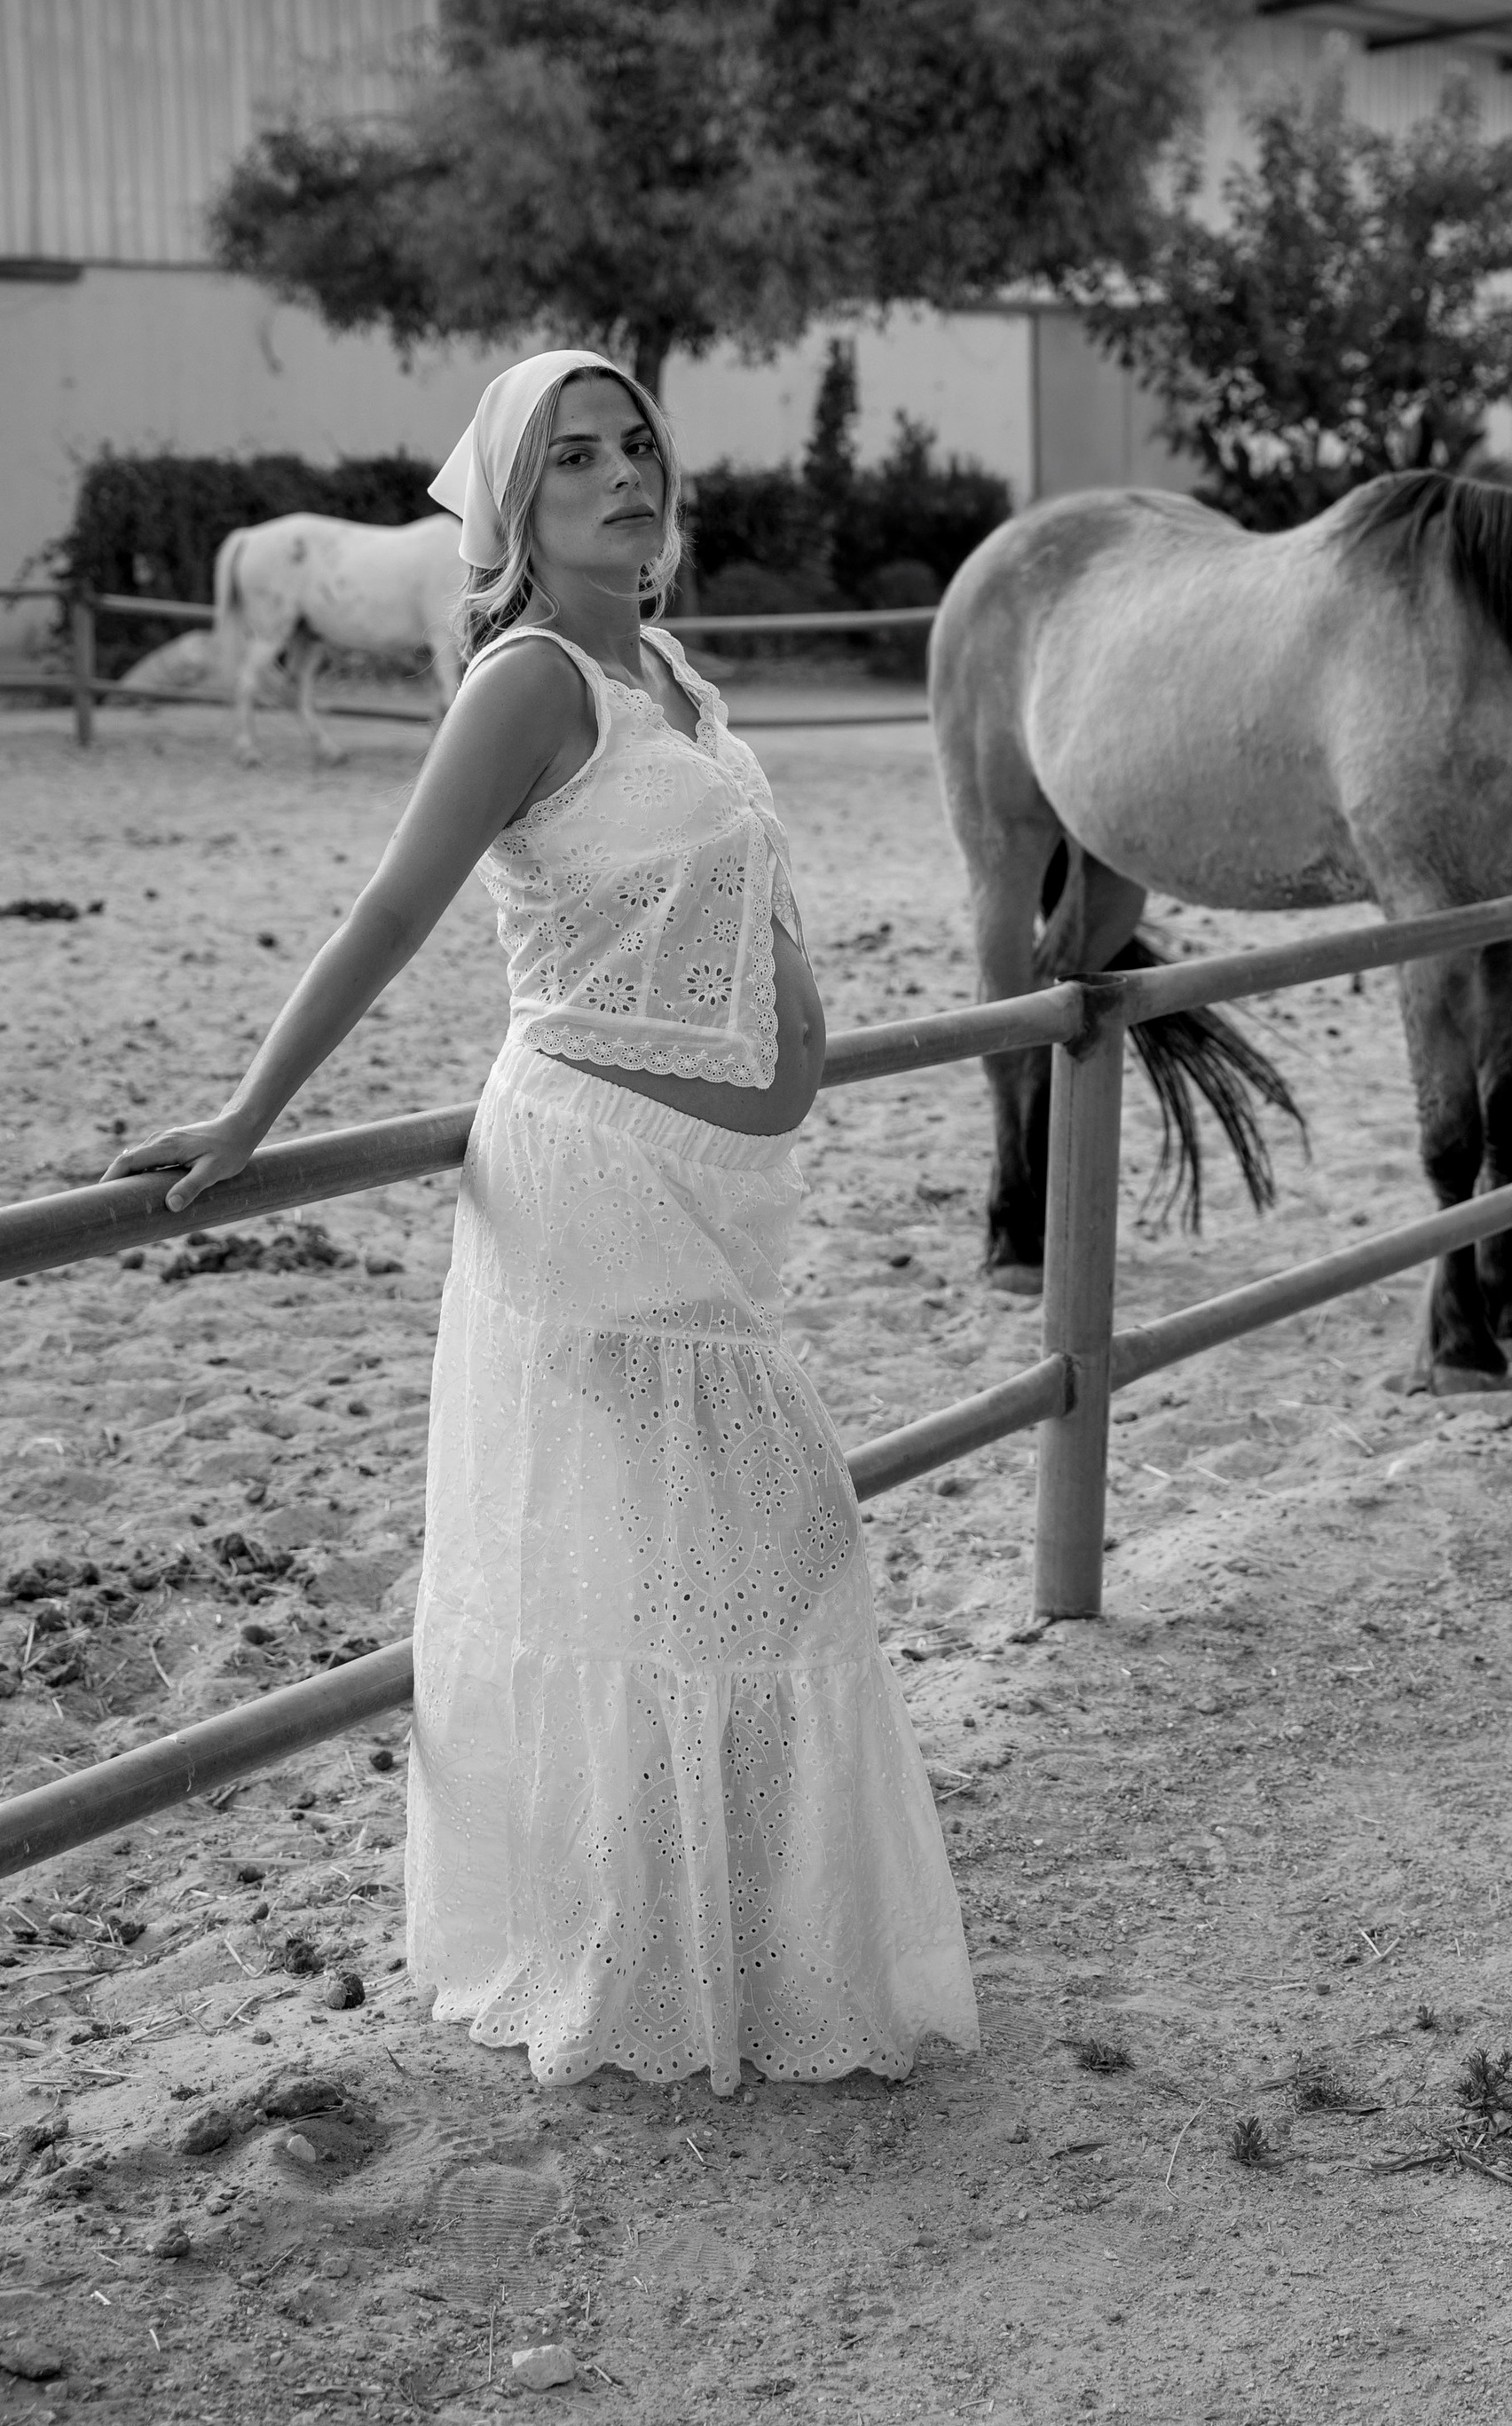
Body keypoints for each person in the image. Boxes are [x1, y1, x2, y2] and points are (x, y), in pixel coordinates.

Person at [106, 350, 977, 2096]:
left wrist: (792, 1004)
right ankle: (633, 1955)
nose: (619, 473)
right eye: (573, 456)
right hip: (587, 1182)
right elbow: (394, 907)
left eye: (636, 443)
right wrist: (246, 1121)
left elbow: (740, 904)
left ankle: (701, 1946)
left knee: (698, 1567)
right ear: (513, 505)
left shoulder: (668, 672)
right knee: (744, 1549)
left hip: (718, 1195)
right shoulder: (522, 683)